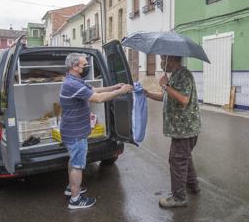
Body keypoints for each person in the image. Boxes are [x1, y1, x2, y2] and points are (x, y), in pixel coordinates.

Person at [60, 53, 133, 210]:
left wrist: (114, 87)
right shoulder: (73, 84)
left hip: (71, 130)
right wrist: (121, 92)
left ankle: (71, 188)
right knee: (78, 165)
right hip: (75, 133)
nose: (87, 67)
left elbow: (94, 90)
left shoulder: (75, 80)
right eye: (84, 65)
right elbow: (98, 98)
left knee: (73, 161)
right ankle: (75, 199)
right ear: (74, 67)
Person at [145, 55, 201, 208]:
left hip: (185, 129)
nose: (161, 62)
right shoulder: (175, 75)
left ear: (171, 60)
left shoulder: (184, 75)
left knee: (177, 160)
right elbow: (166, 97)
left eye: (163, 59)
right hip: (181, 129)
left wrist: (165, 86)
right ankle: (193, 186)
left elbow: (184, 100)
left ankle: (179, 197)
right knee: (184, 157)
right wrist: (149, 94)